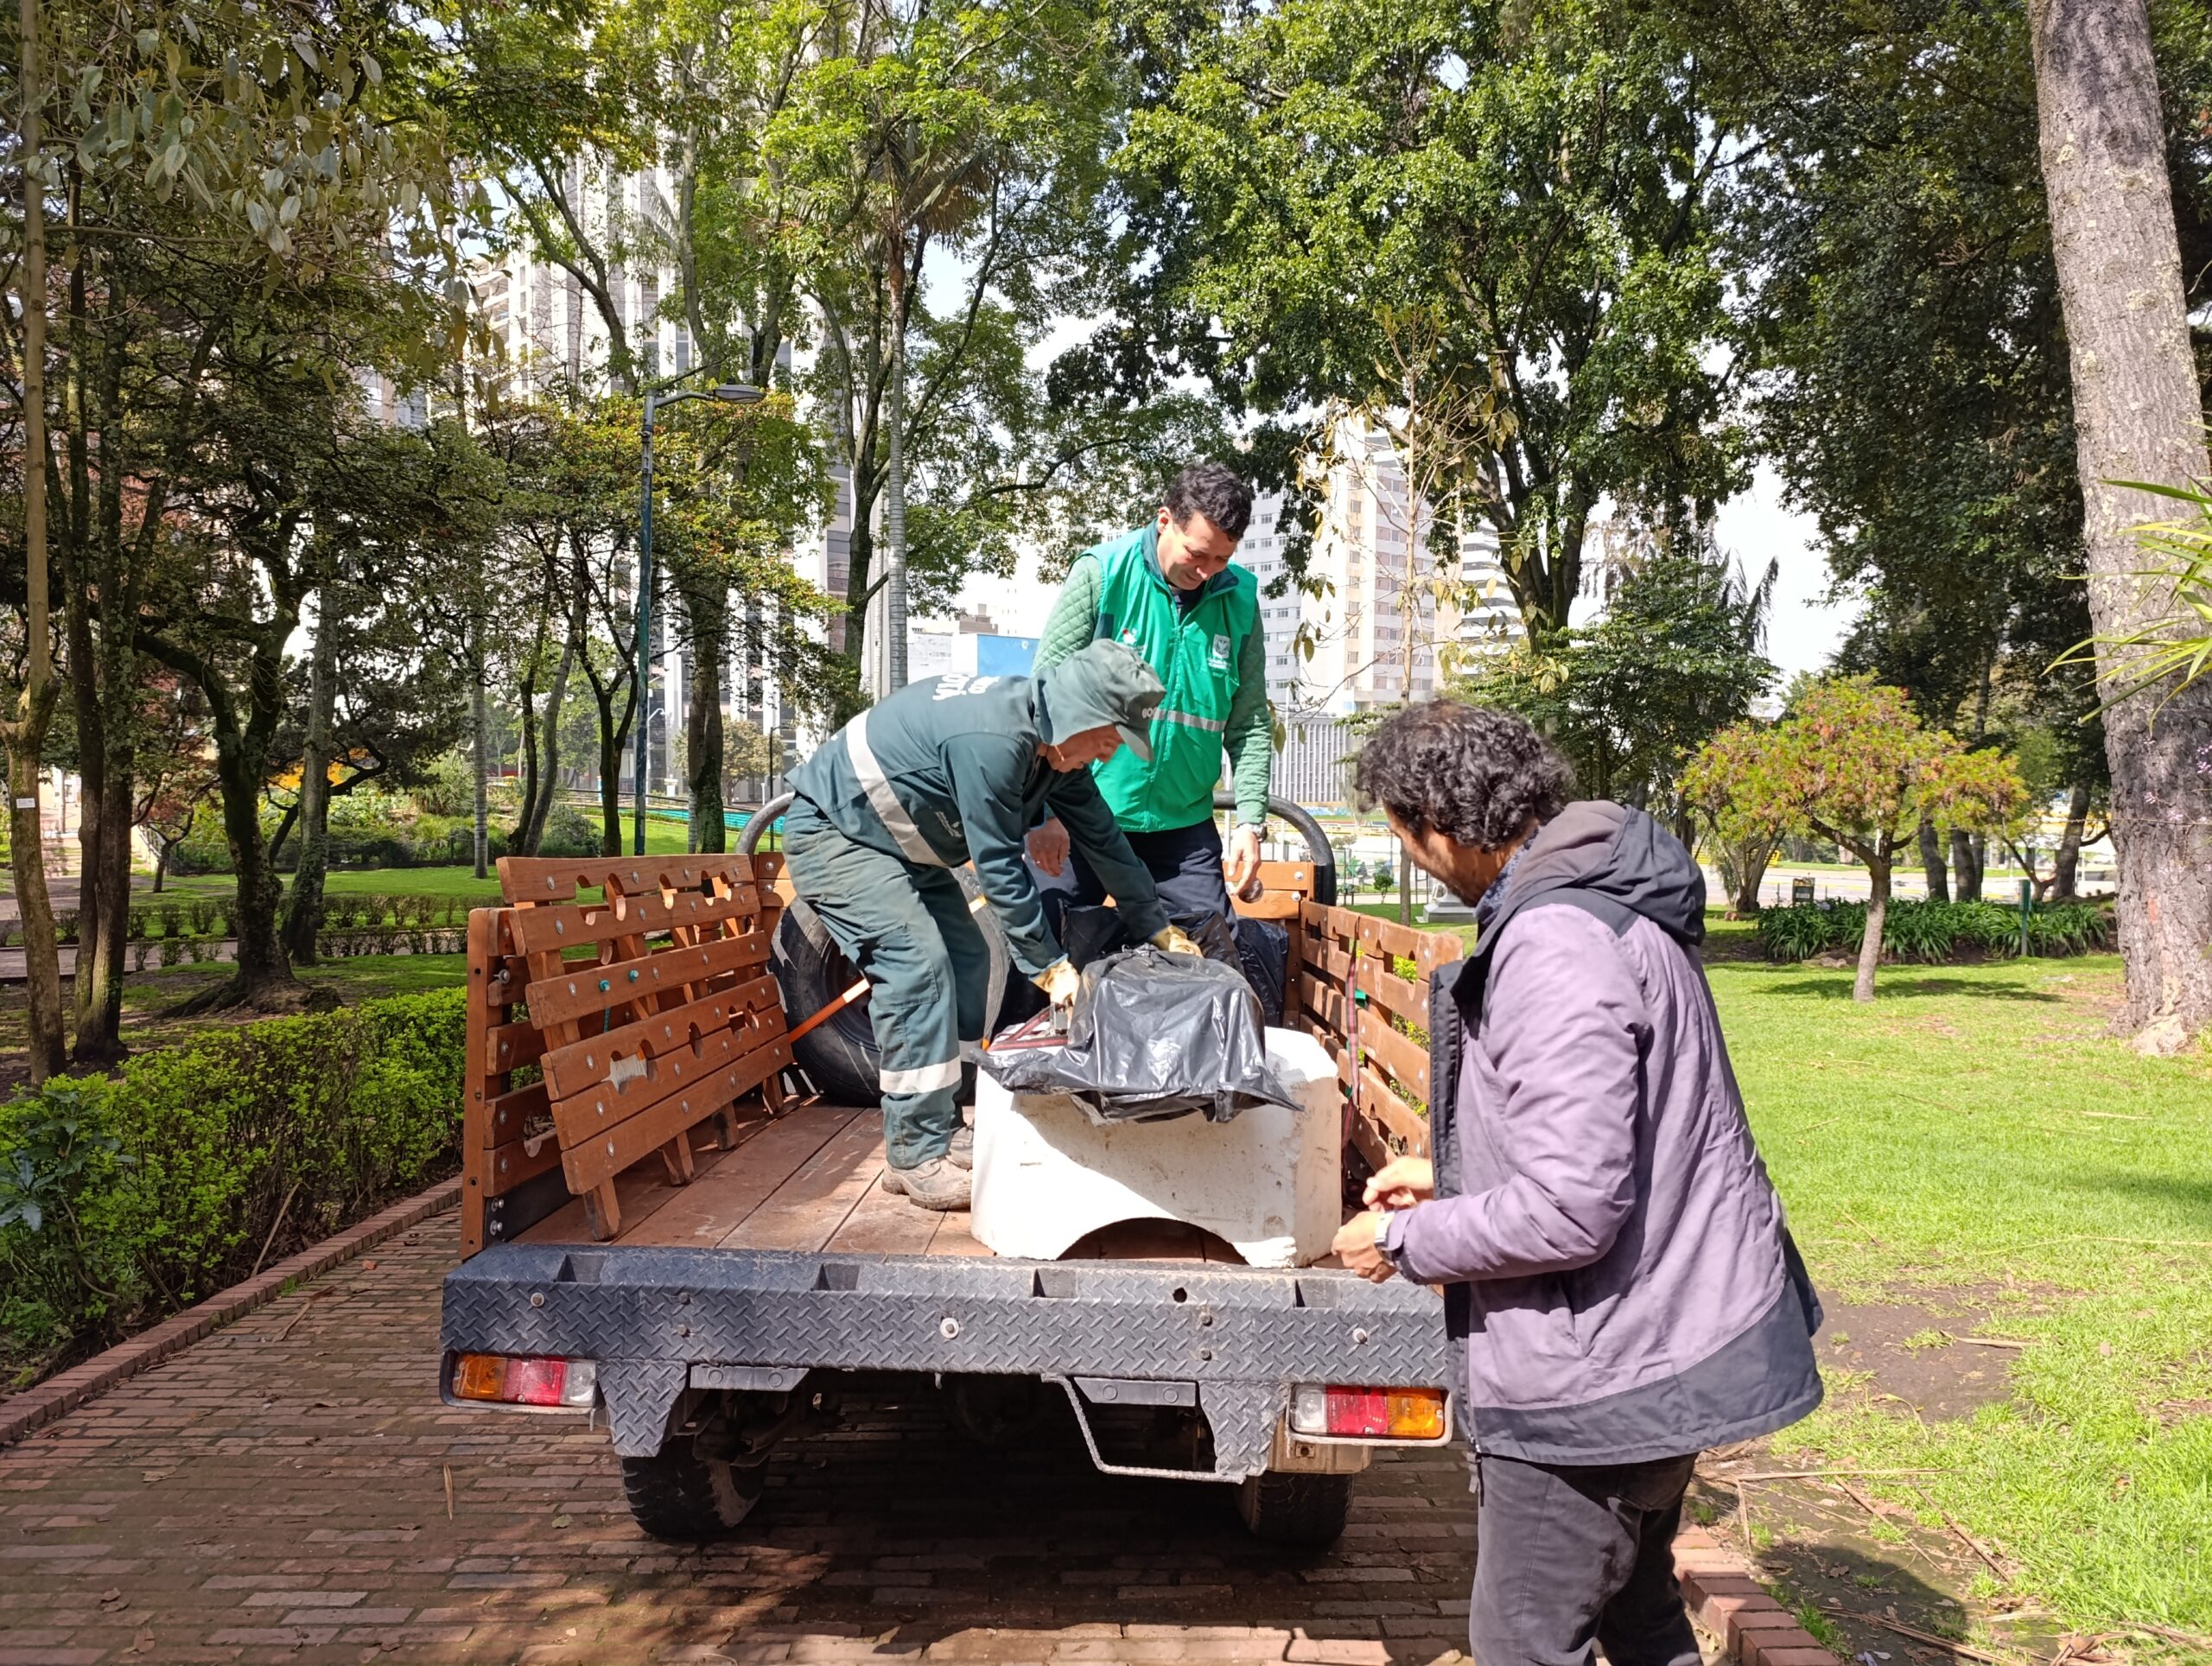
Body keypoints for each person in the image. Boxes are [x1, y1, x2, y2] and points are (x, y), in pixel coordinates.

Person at [1329, 702, 1823, 1666]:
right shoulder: (1600, 903)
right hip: (1654, 1341)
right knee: (1637, 1614)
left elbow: (1567, 1209)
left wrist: (1400, 1241)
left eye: (1403, 834)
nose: (1412, 856)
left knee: (1523, 1640)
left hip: (1600, 1378)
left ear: (1438, 823)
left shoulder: (1553, 939)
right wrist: (1451, 1176)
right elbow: (1612, 1137)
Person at [782, 641, 1203, 1212]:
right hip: (838, 834)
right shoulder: (995, 742)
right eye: (1111, 737)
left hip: (900, 844)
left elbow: (1105, 842)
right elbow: (1000, 867)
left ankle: (943, 1122)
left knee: (968, 960)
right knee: (916, 968)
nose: (1111, 753)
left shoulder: (1052, 757)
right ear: (1078, 715)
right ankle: (913, 1152)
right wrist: (1051, 968)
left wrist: (1157, 927)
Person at [1027, 462, 1269, 920]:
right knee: (1043, 941)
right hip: (1080, 811)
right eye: (1197, 554)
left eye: (1222, 559)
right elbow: (1043, 699)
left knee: (1213, 949)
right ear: (1165, 521)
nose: (1207, 571)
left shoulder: (1239, 601)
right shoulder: (1102, 574)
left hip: (1182, 827)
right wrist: (1046, 813)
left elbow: (1251, 722)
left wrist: (1250, 822)